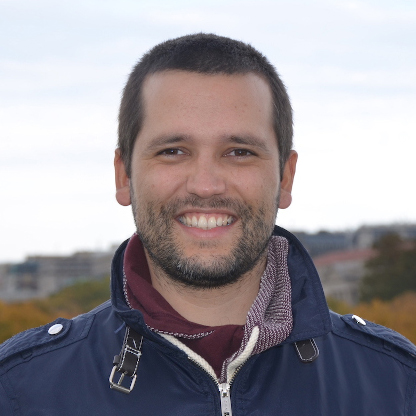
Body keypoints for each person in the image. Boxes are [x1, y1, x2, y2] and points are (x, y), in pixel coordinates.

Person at [0, 33, 415, 415]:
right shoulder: (21, 389)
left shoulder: (395, 384)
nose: (205, 185)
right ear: (123, 175)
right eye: (173, 151)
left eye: (238, 152)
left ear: (285, 178)